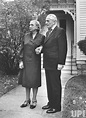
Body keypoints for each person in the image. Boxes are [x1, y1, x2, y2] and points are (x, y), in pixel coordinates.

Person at [35, 14, 67, 113]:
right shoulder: (48, 32)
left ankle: (56, 106)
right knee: (49, 84)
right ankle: (51, 103)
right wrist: (41, 48)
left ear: (54, 21)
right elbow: (48, 46)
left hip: (55, 63)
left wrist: (61, 62)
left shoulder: (60, 31)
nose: (46, 22)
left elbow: (63, 48)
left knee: (55, 85)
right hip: (48, 63)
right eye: (46, 21)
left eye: (48, 21)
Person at [18, 20, 44, 109]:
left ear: (37, 27)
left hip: (35, 62)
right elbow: (22, 49)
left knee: (34, 81)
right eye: (29, 24)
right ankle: (27, 99)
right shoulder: (25, 37)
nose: (29, 26)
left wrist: (41, 47)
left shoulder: (41, 37)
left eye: (32, 25)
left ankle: (34, 100)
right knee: (26, 81)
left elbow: (45, 47)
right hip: (26, 61)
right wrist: (21, 61)